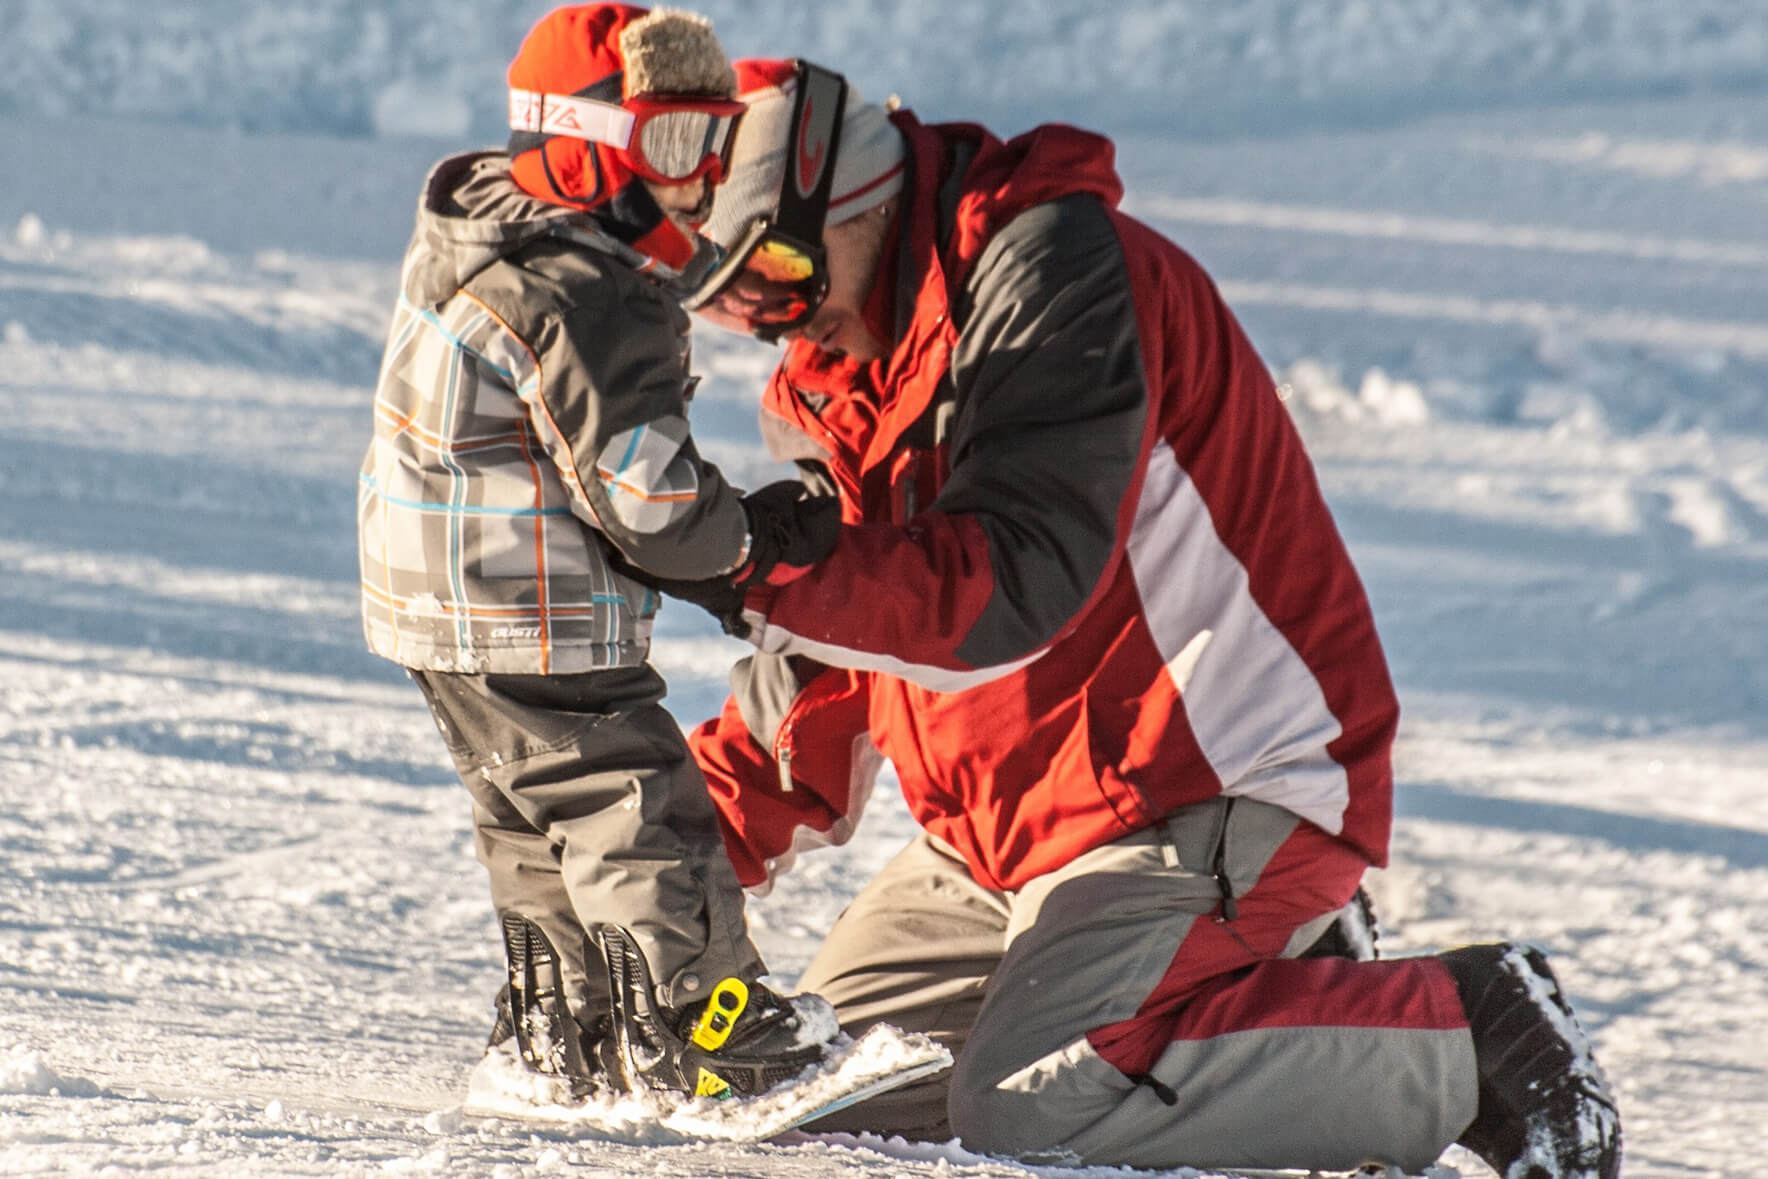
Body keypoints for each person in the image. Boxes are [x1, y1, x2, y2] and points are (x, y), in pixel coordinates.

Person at [638, 57, 1622, 1175]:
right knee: (817, 1097)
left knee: (1038, 1107)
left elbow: (1011, 584)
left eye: (764, 283)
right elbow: (832, 652)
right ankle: (1276, 986)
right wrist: (673, 864)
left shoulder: (1059, 284)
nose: (766, 324)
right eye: (726, 306)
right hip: (1001, 839)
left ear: (845, 202)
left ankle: (1475, 1034)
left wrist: (743, 561)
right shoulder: (837, 369)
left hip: (1201, 787)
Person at [355, 8, 842, 1099]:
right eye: (672, 145)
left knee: (531, 815)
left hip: (435, 603)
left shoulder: (485, 235)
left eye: (717, 144)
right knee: (635, 806)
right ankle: (707, 1036)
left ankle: (564, 1033)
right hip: (532, 605)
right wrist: (754, 540)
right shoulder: (586, 292)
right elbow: (651, 503)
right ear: (580, 143)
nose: (699, 179)